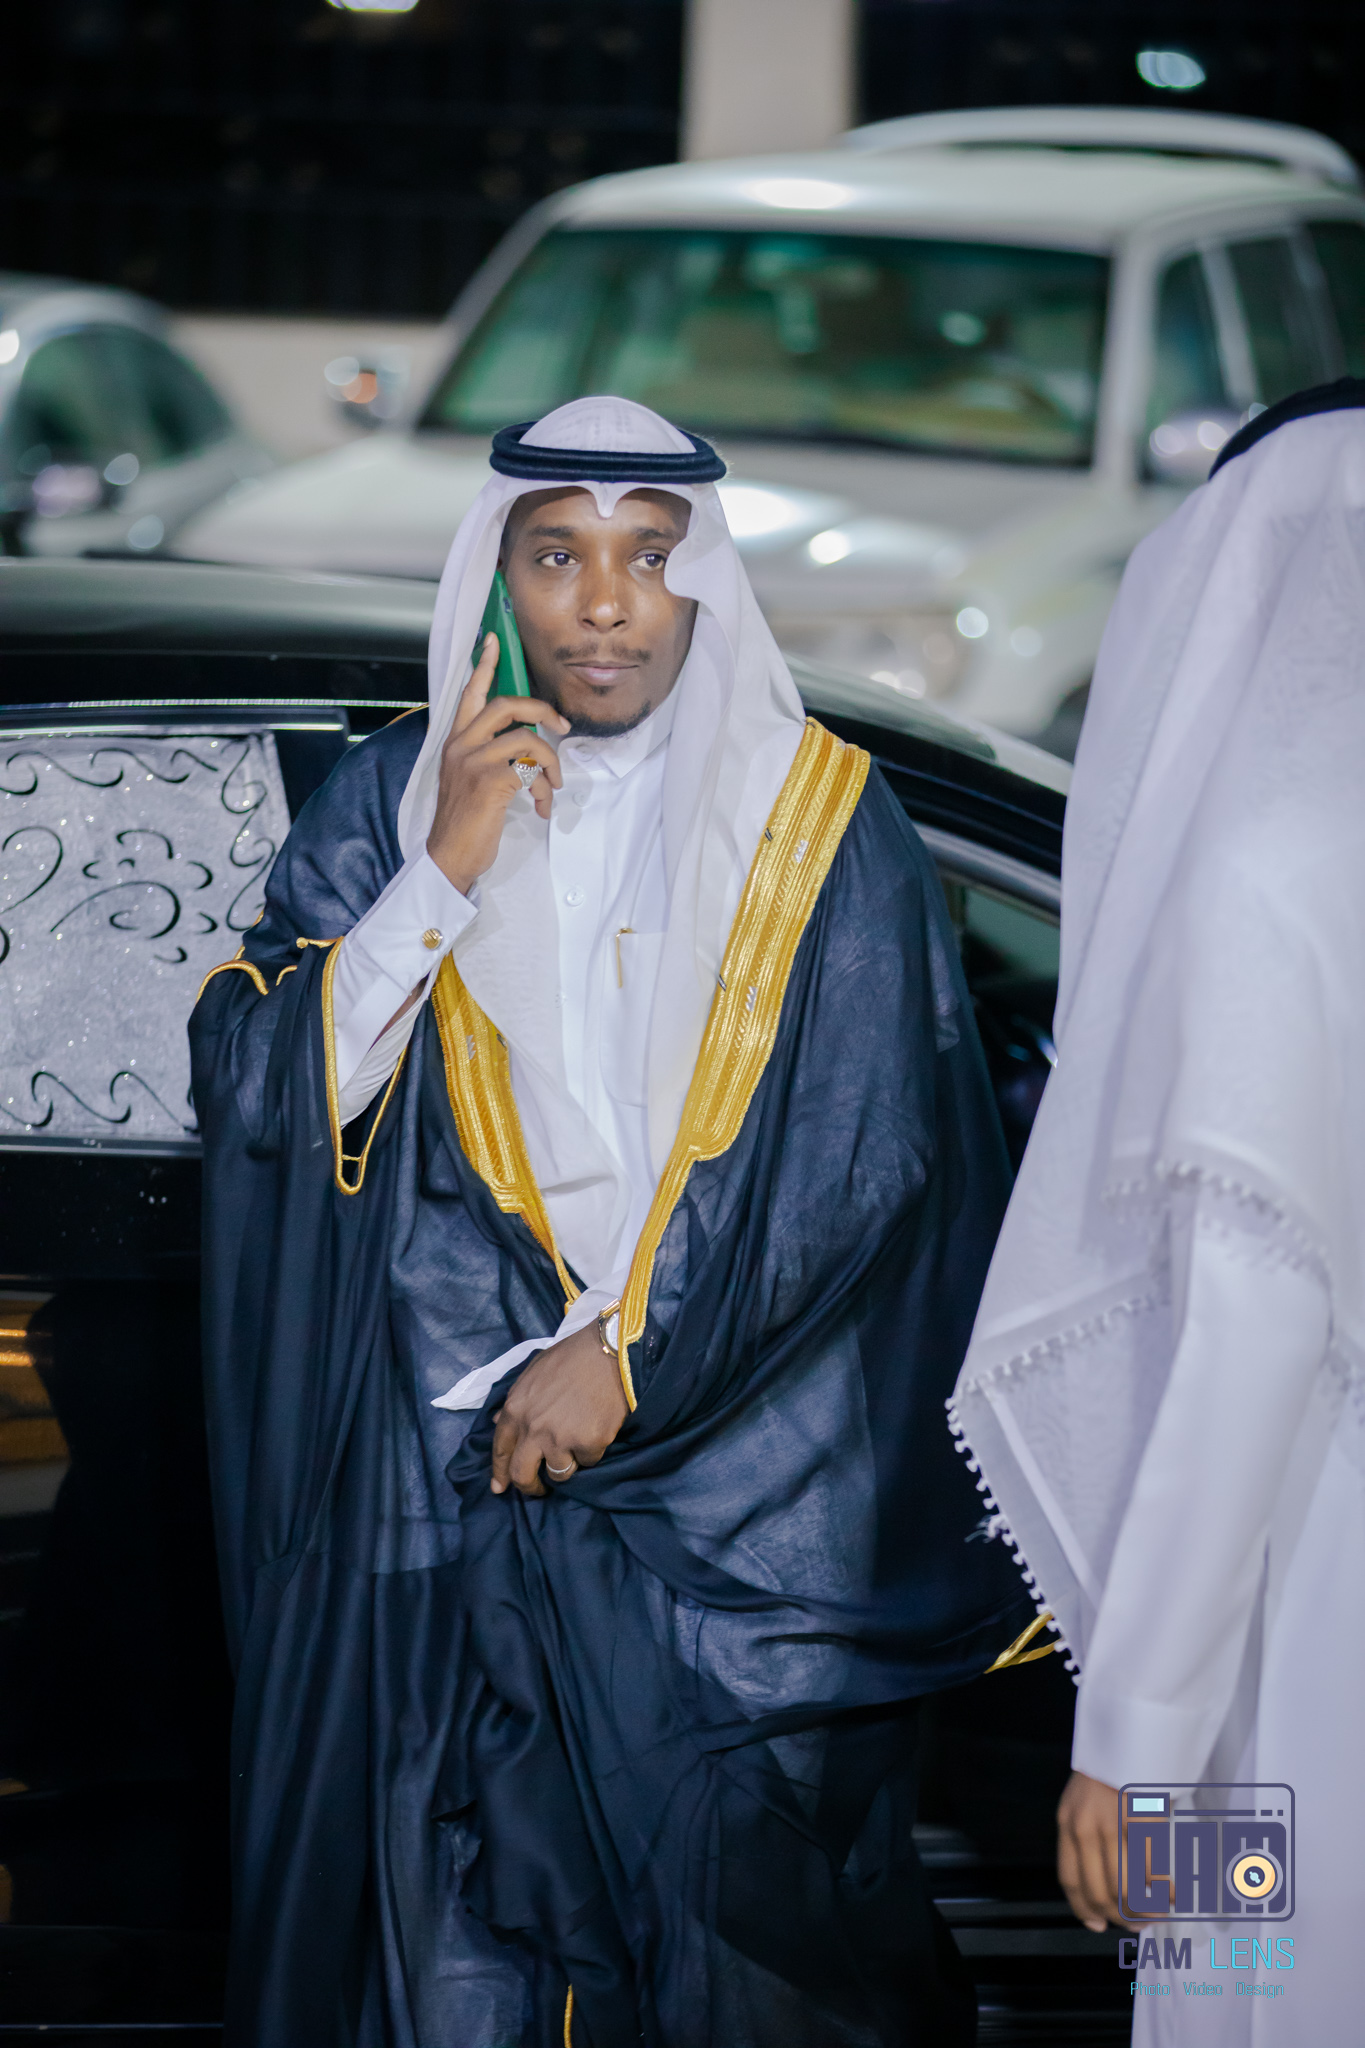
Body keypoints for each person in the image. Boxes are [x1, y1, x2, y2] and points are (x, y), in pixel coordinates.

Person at [190, 396, 1033, 2048]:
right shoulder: (390, 802)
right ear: (495, 577)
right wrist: (442, 870)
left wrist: (623, 1355)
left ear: (702, 580)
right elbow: (260, 1089)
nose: (602, 604)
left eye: (648, 558)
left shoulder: (818, 820)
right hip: (444, 1508)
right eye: (556, 555)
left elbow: (860, 1160)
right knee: (458, 1969)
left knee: (739, 1976)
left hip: (732, 1524)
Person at [950, 383, 1365, 2041]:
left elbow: (1253, 1328)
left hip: (1288, 1612)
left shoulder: (1264, 874)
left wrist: (1131, 1742)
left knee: (1234, 1985)